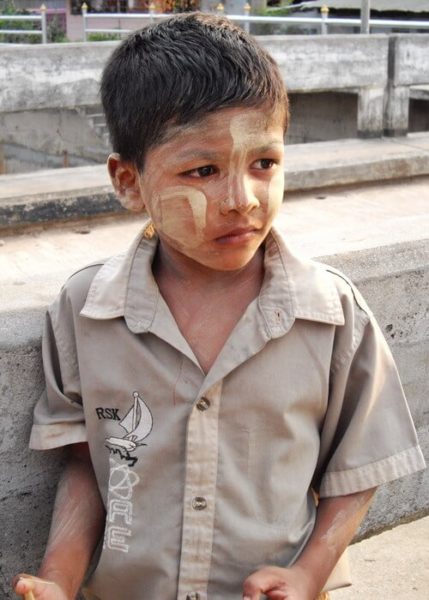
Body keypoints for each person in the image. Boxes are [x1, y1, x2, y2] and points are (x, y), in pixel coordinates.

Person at [13, 13, 425, 600]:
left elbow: (360, 466)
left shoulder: (332, 313)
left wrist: (307, 574)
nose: (242, 200)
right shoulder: (85, 312)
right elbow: (87, 464)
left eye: (265, 164)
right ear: (128, 182)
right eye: (203, 170)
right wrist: (59, 576)